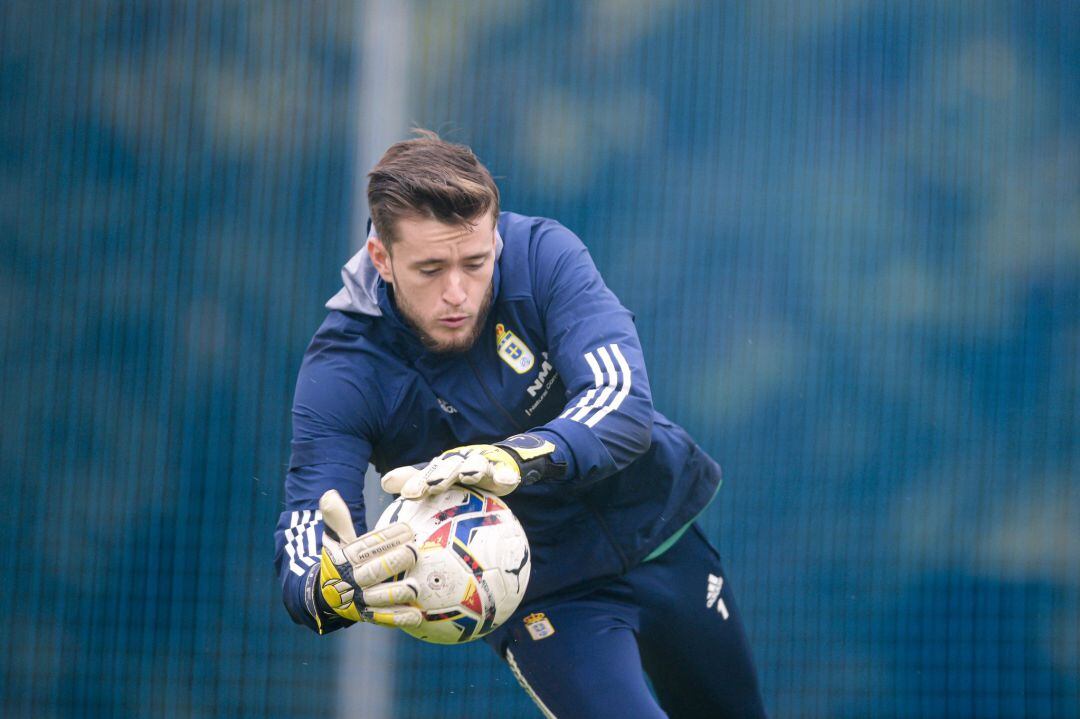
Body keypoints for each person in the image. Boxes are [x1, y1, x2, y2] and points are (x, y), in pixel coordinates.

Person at [273, 130, 767, 718]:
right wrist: (328, 585)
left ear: (494, 236)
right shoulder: (345, 369)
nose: (457, 292)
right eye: (430, 268)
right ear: (382, 258)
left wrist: (513, 459)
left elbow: (622, 398)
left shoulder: (543, 255)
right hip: (547, 598)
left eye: (475, 262)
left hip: (661, 535)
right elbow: (307, 531)